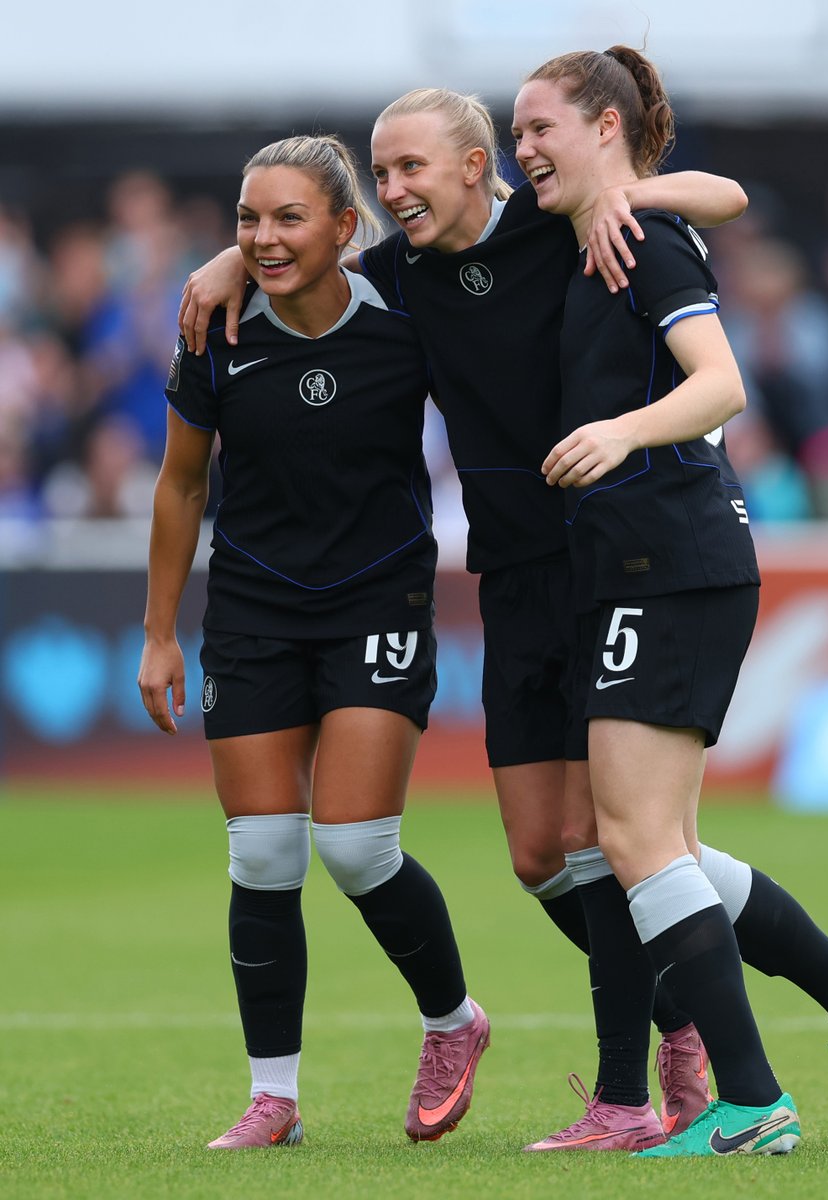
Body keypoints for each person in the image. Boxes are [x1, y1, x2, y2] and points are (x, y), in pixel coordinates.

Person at [179, 95, 750, 1150]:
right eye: (382, 175)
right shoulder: (395, 275)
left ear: (476, 167)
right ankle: (734, 1013)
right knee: (545, 852)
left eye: (409, 169)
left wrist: (632, 191)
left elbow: (725, 196)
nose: (394, 191)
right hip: (513, 565)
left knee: (620, 841)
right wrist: (226, 259)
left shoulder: (565, 219)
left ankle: (667, 1064)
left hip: (610, 546)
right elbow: (297, 237)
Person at [513, 45, 828, 1157]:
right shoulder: (603, 230)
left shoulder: (640, 239)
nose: (523, 152)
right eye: (514, 136)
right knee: (662, 846)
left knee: (634, 839)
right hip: (646, 564)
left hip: (673, 559)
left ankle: (752, 1102)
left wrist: (619, 431)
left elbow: (722, 382)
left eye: (540, 129)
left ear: (606, 128)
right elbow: (720, 198)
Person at [138, 134, 490, 1150]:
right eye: (249, 220)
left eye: (290, 218)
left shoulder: (407, 316)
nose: (264, 238)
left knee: (354, 845)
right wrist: (160, 635)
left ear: (346, 228)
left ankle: (452, 1021)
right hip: (252, 609)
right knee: (264, 854)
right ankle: (274, 1097)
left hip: (378, 602)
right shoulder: (215, 327)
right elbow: (181, 483)